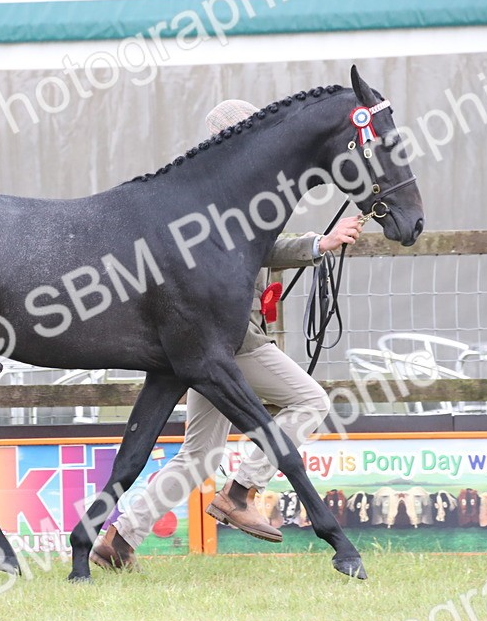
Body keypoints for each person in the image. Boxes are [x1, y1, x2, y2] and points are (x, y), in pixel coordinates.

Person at [90, 99, 364, 570]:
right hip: (234, 344)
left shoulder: (213, 192)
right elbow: (256, 249)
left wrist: (321, 244)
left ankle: (119, 539)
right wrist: (319, 243)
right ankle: (242, 490)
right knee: (310, 402)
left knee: (198, 456)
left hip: (206, 345)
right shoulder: (223, 195)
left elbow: (259, 250)